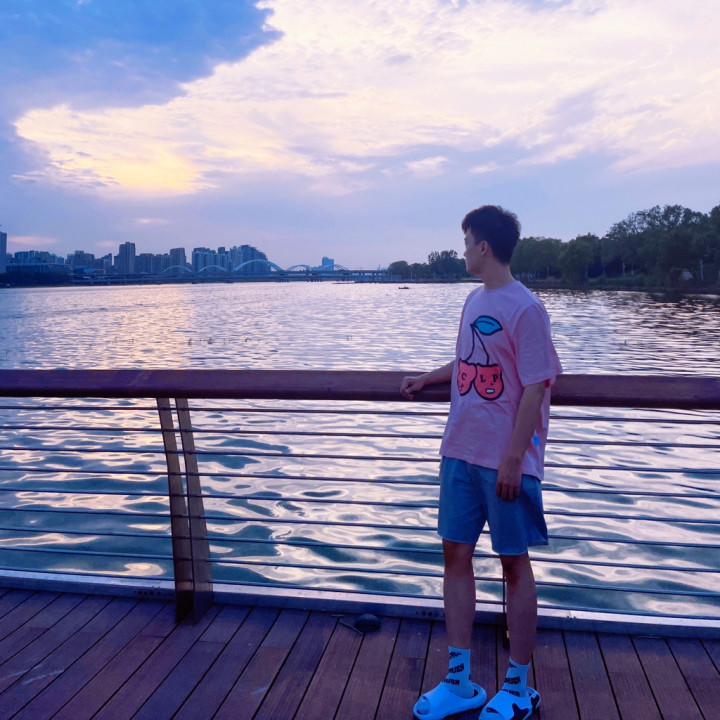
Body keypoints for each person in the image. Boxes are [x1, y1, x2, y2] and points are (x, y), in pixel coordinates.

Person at [401, 205, 562, 720]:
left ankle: (517, 688)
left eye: (466, 241)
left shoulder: (527, 308)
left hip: (504, 462)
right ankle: (459, 682)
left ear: (484, 247)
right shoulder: (474, 300)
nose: (463, 250)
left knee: (513, 564)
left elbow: (535, 385)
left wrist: (514, 459)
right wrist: (430, 377)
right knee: (455, 557)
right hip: (460, 451)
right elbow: (473, 361)